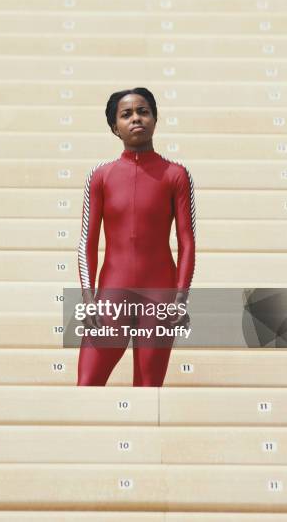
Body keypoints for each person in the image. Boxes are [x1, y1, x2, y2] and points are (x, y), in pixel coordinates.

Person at [76, 87, 196, 386]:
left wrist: (180, 298)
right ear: (115, 127)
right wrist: (89, 298)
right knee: (87, 384)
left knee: (147, 389)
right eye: (126, 114)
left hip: (160, 297)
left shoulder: (176, 174)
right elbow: (87, 243)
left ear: (155, 118)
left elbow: (187, 242)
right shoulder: (101, 176)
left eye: (143, 111)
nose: (136, 119)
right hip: (111, 298)